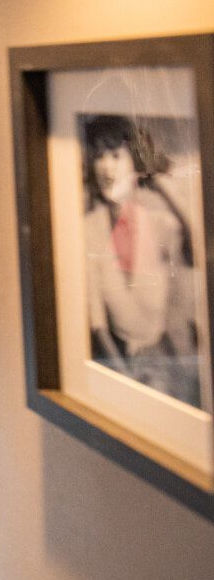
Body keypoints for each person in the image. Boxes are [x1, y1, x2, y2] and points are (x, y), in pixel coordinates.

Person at [82, 114, 201, 408]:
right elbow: (97, 322)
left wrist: (159, 183)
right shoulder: (89, 228)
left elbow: (195, 253)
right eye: (99, 157)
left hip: (169, 358)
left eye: (115, 155)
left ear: (134, 160)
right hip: (118, 362)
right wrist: (124, 375)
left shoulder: (159, 221)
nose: (106, 166)